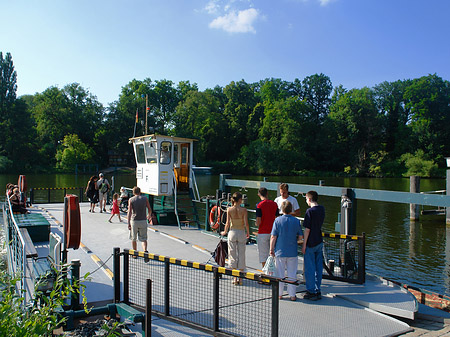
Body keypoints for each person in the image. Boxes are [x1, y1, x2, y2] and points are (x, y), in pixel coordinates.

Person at [270, 200, 303, 301]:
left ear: (281, 209)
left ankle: (279, 294)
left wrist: (271, 249)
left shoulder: (277, 221)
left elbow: (273, 237)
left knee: (280, 274)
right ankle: (292, 295)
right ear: (291, 209)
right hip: (292, 251)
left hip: (280, 251)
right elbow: (301, 236)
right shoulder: (296, 221)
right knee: (292, 273)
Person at [220, 192, 250, 285]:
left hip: (232, 232)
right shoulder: (244, 210)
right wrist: (248, 233)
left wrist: (224, 232)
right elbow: (246, 223)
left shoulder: (229, 209)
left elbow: (227, 223)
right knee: (241, 254)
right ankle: (240, 278)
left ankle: (234, 277)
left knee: (232, 254)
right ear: (240, 200)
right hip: (241, 232)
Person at [302, 190, 325, 301]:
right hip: (319, 240)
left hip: (310, 242)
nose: (306, 201)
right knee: (318, 267)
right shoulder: (322, 209)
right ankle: (318, 289)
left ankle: (311, 291)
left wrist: (304, 244)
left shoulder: (309, 211)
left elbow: (307, 229)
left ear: (309, 199)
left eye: (306, 199)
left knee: (309, 268)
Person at [255, 187, 279, 268]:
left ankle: (265, 273)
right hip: (273, 232)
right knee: (273, 253)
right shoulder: (274, 204)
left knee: (263, 255)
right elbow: (277, 218)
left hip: (263, 232)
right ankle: (273, 272)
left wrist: (256, 223)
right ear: (267, 193)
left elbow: (258, 221)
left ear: (258, 194)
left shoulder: (259, 205)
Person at [127, 186, 152, 252]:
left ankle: (135, 253)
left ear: (133, 192)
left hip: (134, 221)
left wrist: (128, 223)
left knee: (133, 238)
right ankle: (145, 250)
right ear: (140, 191)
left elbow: (129, 211)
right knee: (144, 238)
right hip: (143, 220)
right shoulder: (145, 198)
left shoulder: (131, 199)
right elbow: (149, 209)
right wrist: (148, 215)